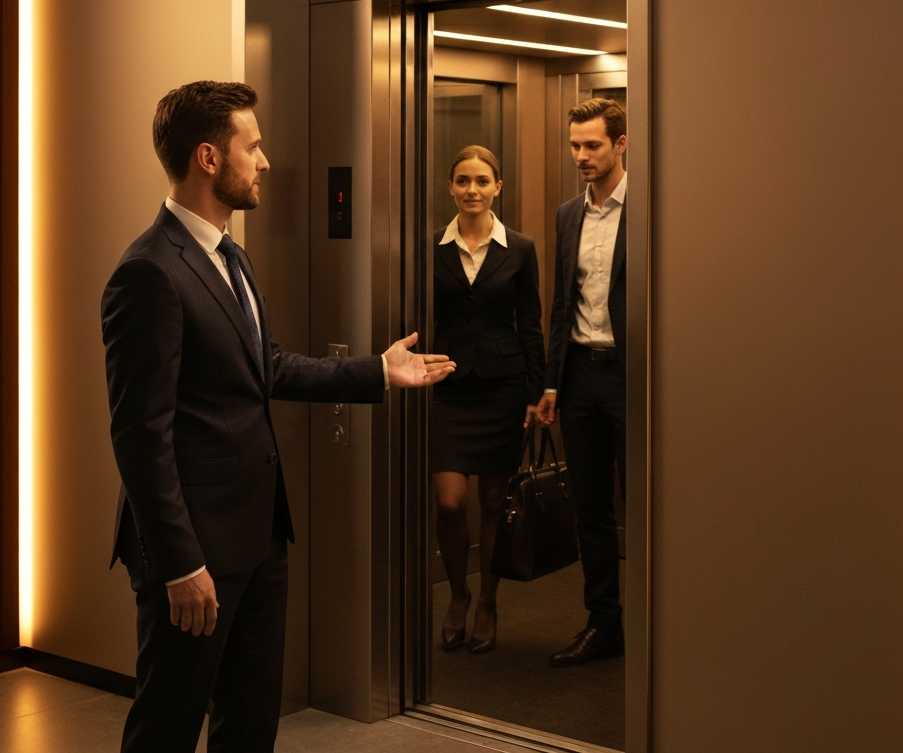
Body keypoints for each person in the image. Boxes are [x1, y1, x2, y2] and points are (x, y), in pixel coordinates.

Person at [101, 81, 455, 753]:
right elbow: (139, 436)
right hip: (195, 551)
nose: (265, 161)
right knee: (166, 727)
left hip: (259, 535)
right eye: (253, 146)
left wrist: (377, 370)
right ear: (209, 158)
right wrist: (180, 565)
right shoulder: (148, 273)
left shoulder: (230, 255)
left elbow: (267, 366)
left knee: (249, 722)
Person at [431, 145, 545, 655]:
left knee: (496, 502)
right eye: (462, 181)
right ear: (450, 187)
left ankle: (488, 601)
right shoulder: (430, 246)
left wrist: (536, 390)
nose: (471, 189)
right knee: (450, 502)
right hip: (450, 387)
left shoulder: (519, 248)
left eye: (481, 181)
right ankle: (458, 594)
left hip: (504, 386)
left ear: (498, 186)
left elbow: (531, 322)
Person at [535, 97, 627, 667]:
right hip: (581, 376)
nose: (581, 156)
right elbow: (560, 302)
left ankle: (664, 624)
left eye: (592, 145)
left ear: (621, 144)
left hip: (633, 376)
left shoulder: (650, 207)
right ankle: (605, 622)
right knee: (590, 506)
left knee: (648, 508)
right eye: (575, 145)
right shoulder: (570, 213)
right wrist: (550, 383)